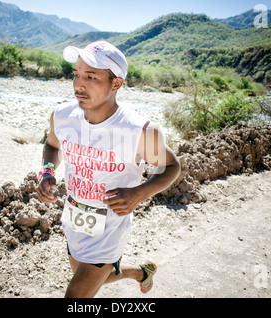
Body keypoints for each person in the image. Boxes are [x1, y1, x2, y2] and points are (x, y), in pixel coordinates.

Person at [36, 41, 181, 298]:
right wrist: (47, 171)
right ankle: (140, 273)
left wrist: (139, 194)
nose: (79, 84)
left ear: (116, 84)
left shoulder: (139, 130)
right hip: (74, 215)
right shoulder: (62, 115)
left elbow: (171, 166)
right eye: (76, 74)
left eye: (91, 77)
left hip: (110, 225)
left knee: (76, 296)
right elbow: (51, 146)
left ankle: (133, 271)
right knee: (97, 277)